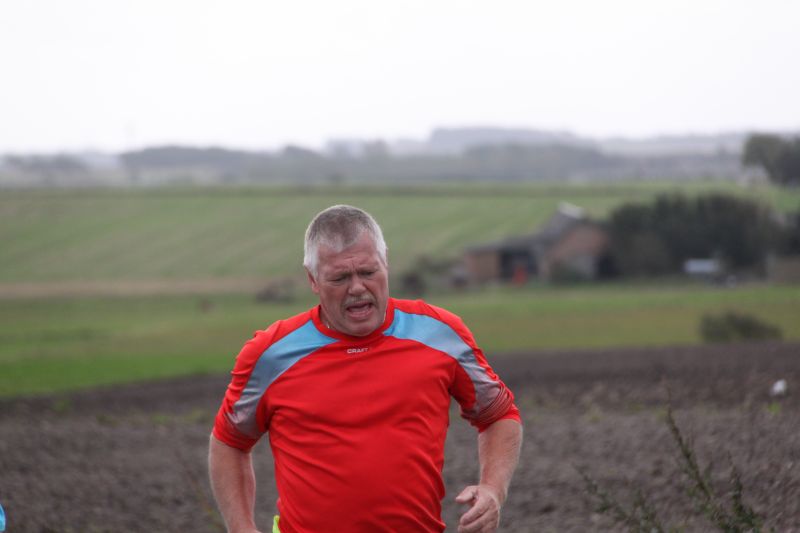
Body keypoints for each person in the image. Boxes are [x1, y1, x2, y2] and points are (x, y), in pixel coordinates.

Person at [209, 205, 523, 533]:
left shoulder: (440, 334)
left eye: (368, 272)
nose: (357, 288)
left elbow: (499, 414)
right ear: (313, 279)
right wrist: (241, 528)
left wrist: (492, 490)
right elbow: (229, 442)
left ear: (386, 262)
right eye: (340, 278)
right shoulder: (271, 354)